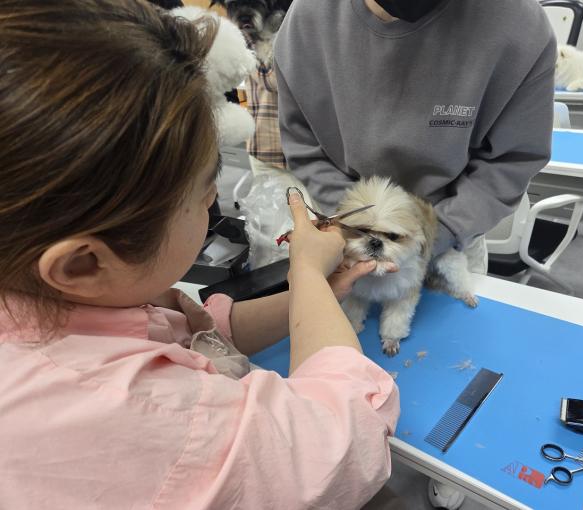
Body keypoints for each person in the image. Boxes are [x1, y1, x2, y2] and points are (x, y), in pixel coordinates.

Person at [0, 1, 399, 508]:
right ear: (82, 263)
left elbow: (195, 336)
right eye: (204, 190)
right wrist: (305, 270)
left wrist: (313, 294)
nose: (215, 197)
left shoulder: (46, 295)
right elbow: (342, 442)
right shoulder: (139, 411)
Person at [274, 0, 556, 506]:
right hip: (350, 227)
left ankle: (451, 473)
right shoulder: (307, 21)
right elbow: (304, 145)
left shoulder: (518, 25)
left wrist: (434, 235)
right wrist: (355, 224)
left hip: (450, 233)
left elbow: (512, 160)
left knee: (455, 392)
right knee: (352, 368)